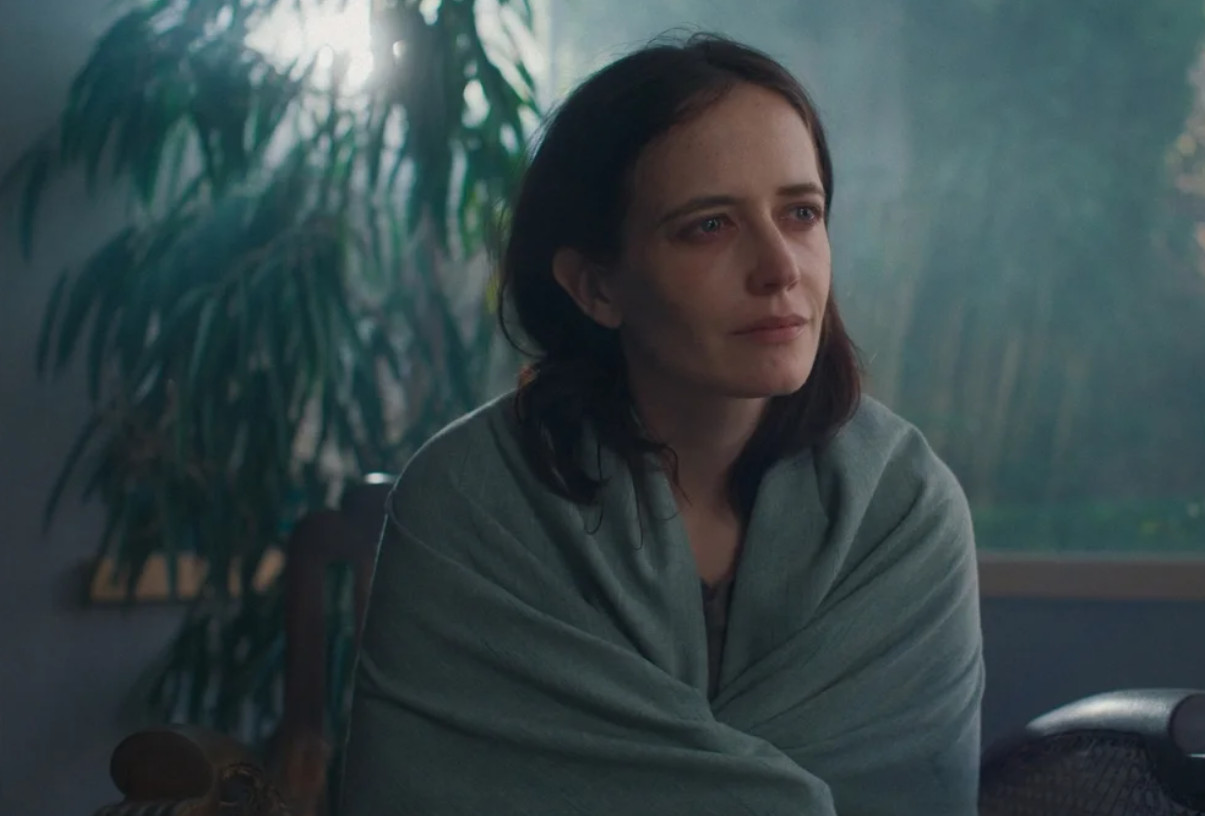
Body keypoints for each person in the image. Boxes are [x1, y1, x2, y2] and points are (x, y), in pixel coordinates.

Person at [338, 32, 984, 816]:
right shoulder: (470, 502)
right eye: (709, 226)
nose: (781, 267)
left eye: (801, 213)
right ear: (596, 286)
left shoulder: (904, 508)